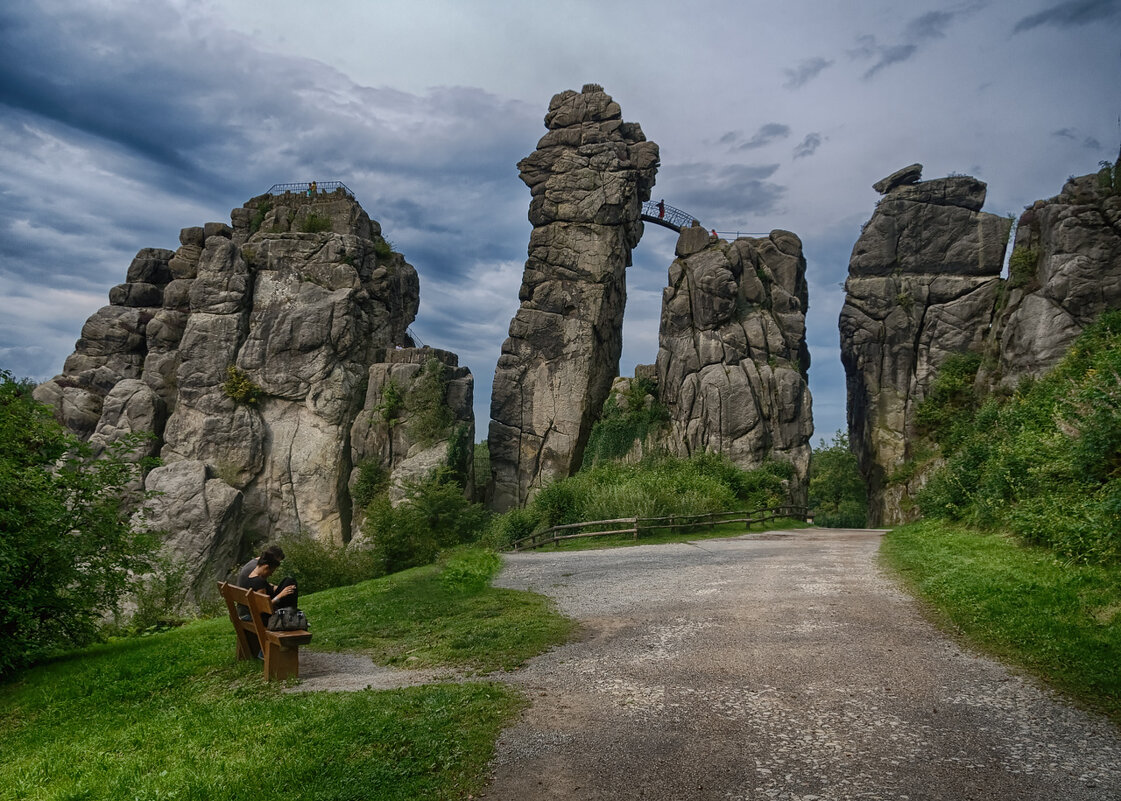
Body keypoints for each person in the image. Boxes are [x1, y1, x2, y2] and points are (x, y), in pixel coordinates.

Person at [235, 545, 297, 623]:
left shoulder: (254, 571)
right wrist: (280, 595)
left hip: (245, 610)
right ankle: (293, 618)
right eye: (272, 571)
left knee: (288, 582)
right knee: (290, 582)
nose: (271, 574)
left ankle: (292, 615)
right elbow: (261, 608)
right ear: (267, 567)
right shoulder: (259, 582)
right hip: (253, 615)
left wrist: (276, 588)